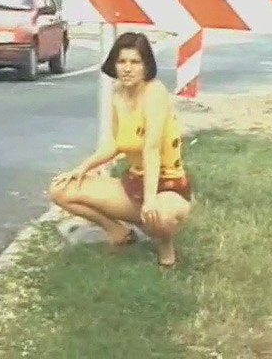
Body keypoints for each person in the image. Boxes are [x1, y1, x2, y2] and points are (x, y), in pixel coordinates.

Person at [48, 31, 194, 267]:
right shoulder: (117, 92)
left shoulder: (155, 92)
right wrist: (82, 168)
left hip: (168, 185)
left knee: (161, 215)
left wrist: (149, 201)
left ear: (146, 66)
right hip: (133, 183)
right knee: (61, 189)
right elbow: (116, 143)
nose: (127, 68)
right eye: (122, 61)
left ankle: (165, 244)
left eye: (135, 62)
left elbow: (152, 149)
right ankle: (118, 232)